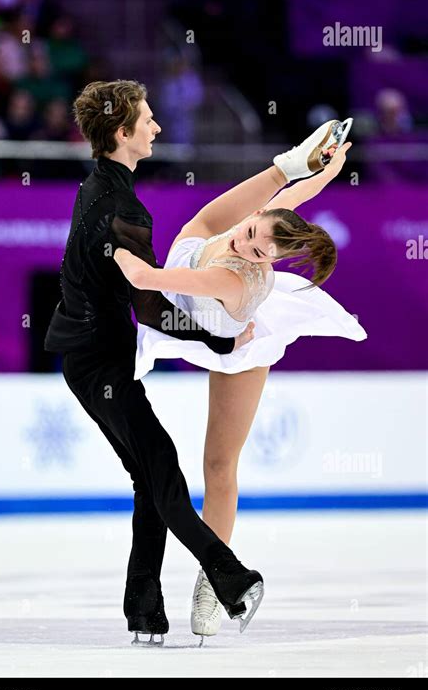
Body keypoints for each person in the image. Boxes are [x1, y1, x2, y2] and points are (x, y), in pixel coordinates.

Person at [114, 123, 367, 642]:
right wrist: (325, 170)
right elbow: (284, 200)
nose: (244, 241)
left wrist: (103, 247)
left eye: (257, 248)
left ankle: (214, 583)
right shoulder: (237, 227)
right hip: (191, 316)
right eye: (250, 230)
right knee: (228, 214)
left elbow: (148, 281)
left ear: (267, 261)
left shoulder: (237, 276)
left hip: (239, 344)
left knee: (218, 463)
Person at [44, 79, 271, 645]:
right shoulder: (124, 210)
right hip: (99, 363)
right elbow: (149, 306)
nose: (157, 128)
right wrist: (219, 343)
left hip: (90, 356)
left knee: (150, 479)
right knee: (162, 469)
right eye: (147, 120)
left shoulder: (97, 184)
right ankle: (231, 578)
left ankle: (144, 609)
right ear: (123, 134)